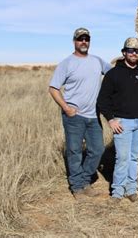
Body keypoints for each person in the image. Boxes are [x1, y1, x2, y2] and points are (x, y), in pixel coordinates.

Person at [49, 27, 111, 199]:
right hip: (74, 117)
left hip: (93, 115)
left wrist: (126, 58)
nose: (83, 42)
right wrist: (66, 108)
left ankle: (85, 181)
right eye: (80, 39)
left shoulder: (98, 61)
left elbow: (114, 72)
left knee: (97, 149)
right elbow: (53, 88)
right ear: (74, 41)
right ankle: (77, 187)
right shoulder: (66, 63)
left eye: (86, 39)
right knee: (75, 151)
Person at [97, 37, 138, 203]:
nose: (134, 53)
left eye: (137, 51)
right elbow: (103, 100)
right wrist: (111, 120)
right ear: (124, 52)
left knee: (133, 158)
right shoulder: (113, 74)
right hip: (122, 123)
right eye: (131, 50)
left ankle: (131, 189)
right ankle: (117, 192)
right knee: (122, 158)